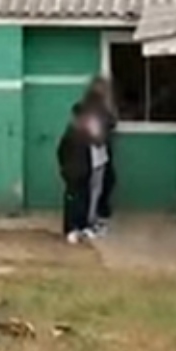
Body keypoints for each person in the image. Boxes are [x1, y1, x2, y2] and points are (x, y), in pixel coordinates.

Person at [83, 76, 117, 231]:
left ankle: (93, 216)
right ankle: (91, 219)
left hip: (96, 150)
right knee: (95, 187)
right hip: (95, 151)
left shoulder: (91, 106)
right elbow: (109, 123)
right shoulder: (98, 107)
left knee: (97, 186)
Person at [57, 104, 93, 245]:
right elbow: (61, 152)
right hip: (72, 172)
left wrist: (88, 169)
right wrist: (65, 168)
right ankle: (70, 229)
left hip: (84, 172)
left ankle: (81, 227)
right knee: (72, 201)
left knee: (83, 200)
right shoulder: (70, 133)